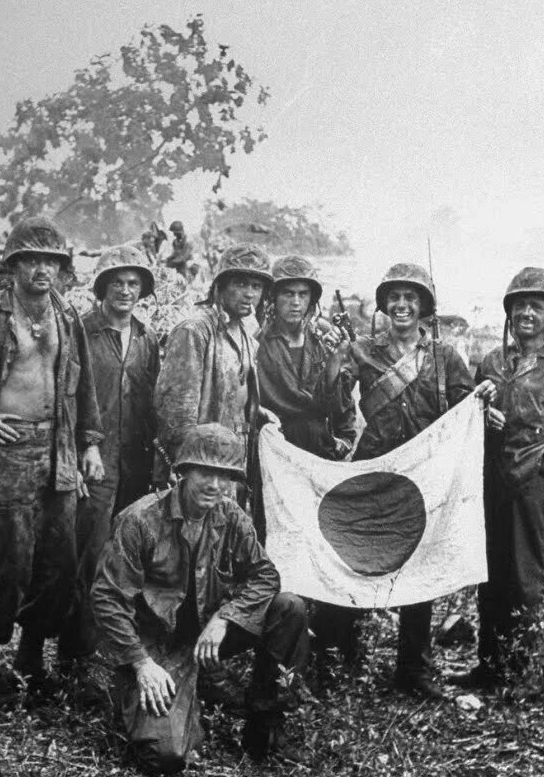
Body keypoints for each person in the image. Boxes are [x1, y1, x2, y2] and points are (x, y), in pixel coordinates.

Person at [0, 216, 104, 706]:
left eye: (51, 261)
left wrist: (89, 442)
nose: (42, 270)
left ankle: (31, 659)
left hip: (60, 448)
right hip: (8, 448)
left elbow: (85, 384)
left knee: (58, 560)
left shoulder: (66, 317)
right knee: (8, 563)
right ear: (13, 265)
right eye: (32, 260)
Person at [91, 424, 310, 774]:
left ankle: (263, 727)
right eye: (205, 472)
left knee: (289, 608)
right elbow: (107, 599)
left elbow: (265, 575)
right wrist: (141, 664)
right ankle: (177, 695)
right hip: (158, 645)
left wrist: (225, 617)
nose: (215, 485)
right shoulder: (140, 520)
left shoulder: (230, 515)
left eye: (225, 476)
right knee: (164, 757)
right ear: (184, 472)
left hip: (208, 633)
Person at [328, 263, 477, 698]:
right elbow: (335, 402)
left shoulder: (445, 356)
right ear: (384, 304)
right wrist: (336, 364)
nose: (402, 305)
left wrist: (481, 404)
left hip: (425, 473)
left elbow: (463, 410)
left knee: (420, 568)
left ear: (425, 306)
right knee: (358, 555)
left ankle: (413, 668)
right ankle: (343, 653)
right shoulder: (362, 350)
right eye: (394, 297)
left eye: (411, 298)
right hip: (375, 468)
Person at [456, 267, 544, 688]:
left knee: (530, 579)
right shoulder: (492, 361)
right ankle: (491, 665)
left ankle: (532, 672)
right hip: (493, 481)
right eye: (519, 305)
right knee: (491, 575)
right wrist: (482, 414)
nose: (527, 313)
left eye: (537, 306)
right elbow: (469, 416)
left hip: (536, 485)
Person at [71, 245, 161, 669]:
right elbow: (68, 399)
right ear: (103, 288)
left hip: (135, 463)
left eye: (133, 284)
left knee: (127, 555)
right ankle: (79, 650)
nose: (126, 291)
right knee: (89, 554)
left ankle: (118, 647)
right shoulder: (81, 333)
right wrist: (78, 451)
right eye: (118, 283)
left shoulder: (147, 339)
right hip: (94, 462)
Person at [154, 242, 271, 494]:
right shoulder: (194, 331)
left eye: (256, 286)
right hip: (200, 466)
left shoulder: (248, 336)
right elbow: (176, 411)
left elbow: (235, 393)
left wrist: (257, 411)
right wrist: (185, 468)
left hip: (233, 460)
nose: (249, 293)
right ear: (220, 286)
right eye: (240, 284)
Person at [255, 255, 355, 462]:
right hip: (277, 448)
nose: (296, 303)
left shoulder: (322, 336)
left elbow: (339, 400)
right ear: (273, 297)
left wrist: (335, 358)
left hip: (320, 447)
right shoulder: (260, 342)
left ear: (312, 298)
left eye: (303, 294)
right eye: (288, 294)